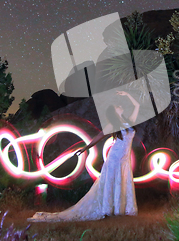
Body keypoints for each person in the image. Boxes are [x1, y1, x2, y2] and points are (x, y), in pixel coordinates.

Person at [27, 90, 140, 222]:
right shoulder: (113, 125)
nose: (119, 106)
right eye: (116, 106)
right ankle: (108, 209)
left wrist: (127, 95)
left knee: (123, 179)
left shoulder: (129, 121)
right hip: (115, 156)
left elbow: (136, 105)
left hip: (124, 157)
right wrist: (86, 148)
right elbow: (98, 137)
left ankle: (120, 208)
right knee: (113, 180)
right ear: (114, 112)